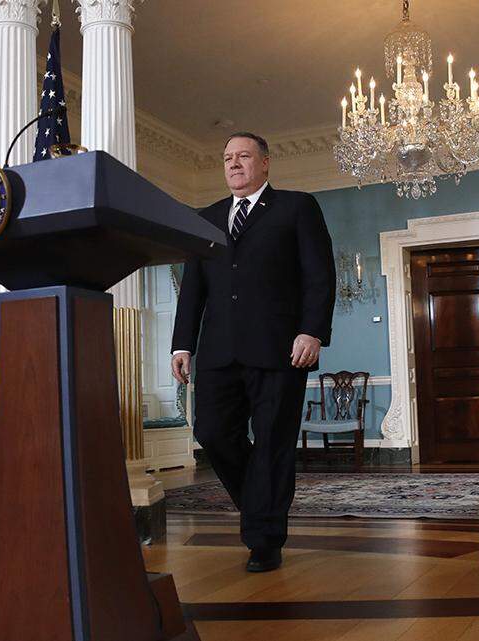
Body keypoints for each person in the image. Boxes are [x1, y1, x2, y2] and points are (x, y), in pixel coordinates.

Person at [171, 132, 335, 572]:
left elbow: (319, 275)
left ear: (265, 163)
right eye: (227, 157)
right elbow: (193, 289)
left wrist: (312, 332)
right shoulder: (206, 218)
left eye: (243, 156)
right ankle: (261, 509)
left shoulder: (297, 208)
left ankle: (265, 539)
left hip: (281, 350)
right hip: (218, 351)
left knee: (273, 444)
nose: (234, 163)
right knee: (212, 432)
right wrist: (183, 343)